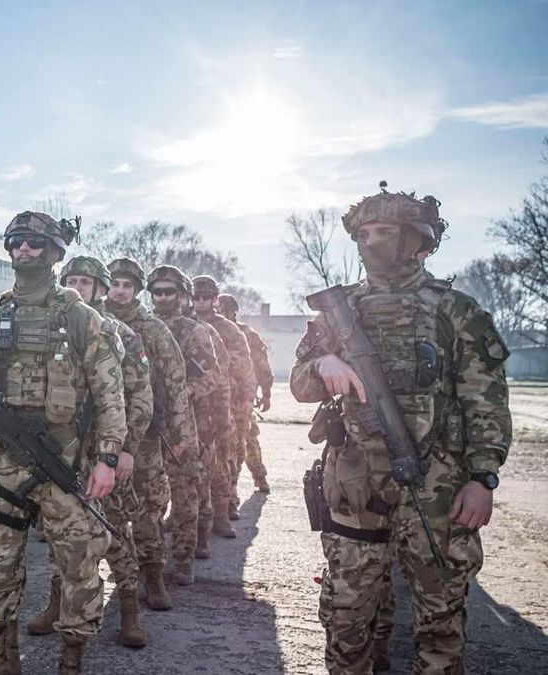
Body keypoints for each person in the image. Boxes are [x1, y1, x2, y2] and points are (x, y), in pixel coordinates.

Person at [291, 184, 511, 674]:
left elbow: (486, 402)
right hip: (354, 484)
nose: (371, 242)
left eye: (384, 231)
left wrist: (482, 478)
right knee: (347, 615)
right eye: (364, 233)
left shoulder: (456, 311)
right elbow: (299, 384)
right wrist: (323, 361)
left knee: (440, 617)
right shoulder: (337, 311)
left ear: (418, 239)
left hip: (438, 487)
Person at [0, 211, 126, 675]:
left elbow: (110, 395)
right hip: (0, 463)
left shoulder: (82, 319)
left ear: (54, 253)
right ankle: (4, 658)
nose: (24, 250)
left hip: (64, 463)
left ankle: (72, 661)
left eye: (34, 243)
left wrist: (107, 458)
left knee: (80, 566)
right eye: (17, 242)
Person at [25, 255, 151, 647]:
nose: (78, 287)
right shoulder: (51, 330)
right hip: (62, 456)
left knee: (115, 533)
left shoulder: (120, 334)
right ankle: (58, 605)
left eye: (86, 282)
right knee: (62, 536)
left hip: (104, 456)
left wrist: (123, 450)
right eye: (72, 280)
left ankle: (129, 611)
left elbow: (139, 396)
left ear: (99, 288)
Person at [106, 258, 202, 588]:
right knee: (107, 509)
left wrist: (183, 435)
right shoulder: (92, 321)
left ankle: (153, 573)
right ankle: (122, 579)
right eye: (115, 284)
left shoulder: (154, 330)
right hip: (101, 433)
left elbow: (176, 384)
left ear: (136, 291)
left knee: (149, 506)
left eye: (127, 285)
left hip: (145, 434)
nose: (119, 291)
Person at [145, 265, 226, 561]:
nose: (163, 297)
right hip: (149, 421)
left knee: (186, 492)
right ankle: (151, 557)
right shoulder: (143, 327)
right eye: (157, 291)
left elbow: (214, 376)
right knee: (149, 494)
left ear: (181, 295)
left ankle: (184, 555)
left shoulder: (195, 331)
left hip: (186, 422)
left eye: (169, 291)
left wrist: (183, 391)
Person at [191, 276, 256, 526]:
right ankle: (192, 514)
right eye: (196, 297)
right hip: (195, 401)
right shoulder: (184, 323)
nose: (200, 303)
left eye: (205, 298)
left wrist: (246, 400)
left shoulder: (228, 328)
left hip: (227, 400)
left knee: (227, 454)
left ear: (215, 299)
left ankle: (225, 507)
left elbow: (245, 367)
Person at [218, 293, 273, 494]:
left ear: (233, 312)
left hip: (241, 397)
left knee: (248, 439)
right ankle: (225, 490)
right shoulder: (208, 329)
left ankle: (259, 477)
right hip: (217, 398)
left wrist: (266, 392)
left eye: (225, 309)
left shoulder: (246, 333)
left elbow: (261, 364)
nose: (221, 313)